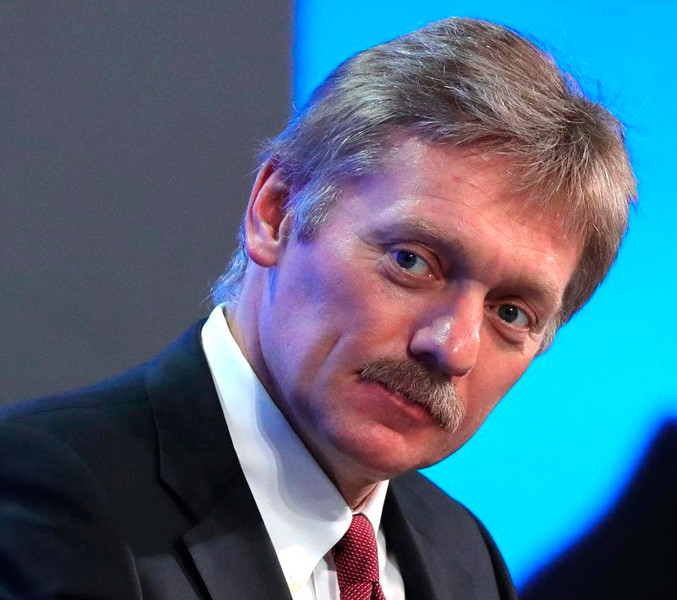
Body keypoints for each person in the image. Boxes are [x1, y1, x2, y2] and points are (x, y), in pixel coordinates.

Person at [0, 17, 636, 600]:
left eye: (511, 313)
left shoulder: (466, 560)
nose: (452, 346)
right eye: (413, 261)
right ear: (276, 212)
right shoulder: (47, 500)